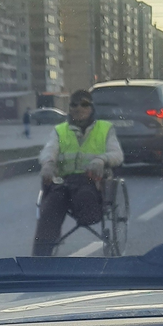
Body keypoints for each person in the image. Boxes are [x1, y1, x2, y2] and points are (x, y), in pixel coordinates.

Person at [33, 89, 124, 256]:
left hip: (91, 182)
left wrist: (101, 160)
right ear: (69, 108)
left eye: (84, 104)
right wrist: (48, 164)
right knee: (50, 207)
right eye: (74, 104)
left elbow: (117, 154)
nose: (79, 108)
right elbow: (49, 150)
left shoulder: (105, 129)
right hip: (63, 183)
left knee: (85, 199)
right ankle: (39, 262)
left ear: (91, 108)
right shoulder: (60, 130)